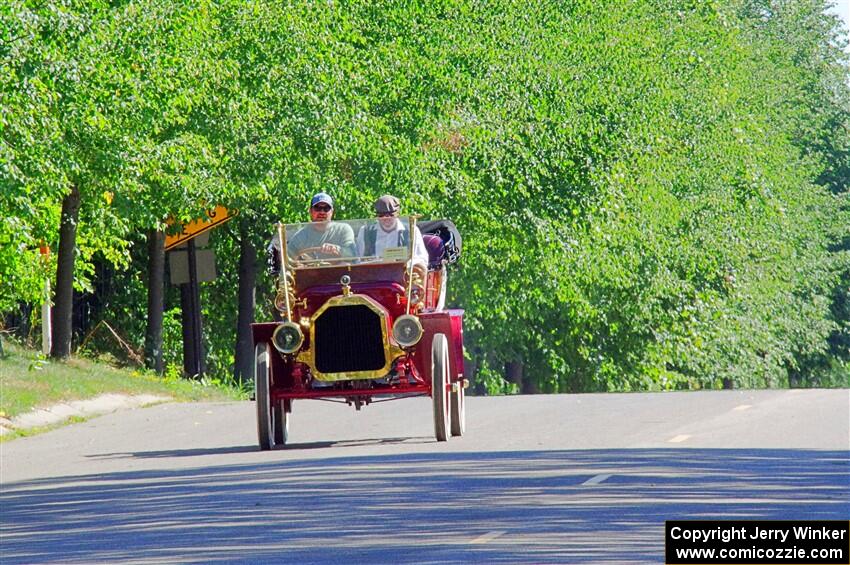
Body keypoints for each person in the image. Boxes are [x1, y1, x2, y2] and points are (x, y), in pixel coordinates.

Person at [268, 192, 356, 266]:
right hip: (311, 281)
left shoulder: (344, 230)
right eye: (317, 208)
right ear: (310, 211)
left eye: (326, 208)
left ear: (332, 212)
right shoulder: (301, 236)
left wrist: (337, 249)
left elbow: (353, 255)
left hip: (340, 281)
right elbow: (287, 261)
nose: (322, 212)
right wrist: (298, 265)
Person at [356, 194, 428, 269]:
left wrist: (406, 264)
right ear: (377, 215)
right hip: (373, 276)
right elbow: (357, 259)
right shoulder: (365, 231)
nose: (386, 218)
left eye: (391, 214)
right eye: (382, 215)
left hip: (401, 276)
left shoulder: (412, 231)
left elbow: (421, 259)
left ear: (397, 214)